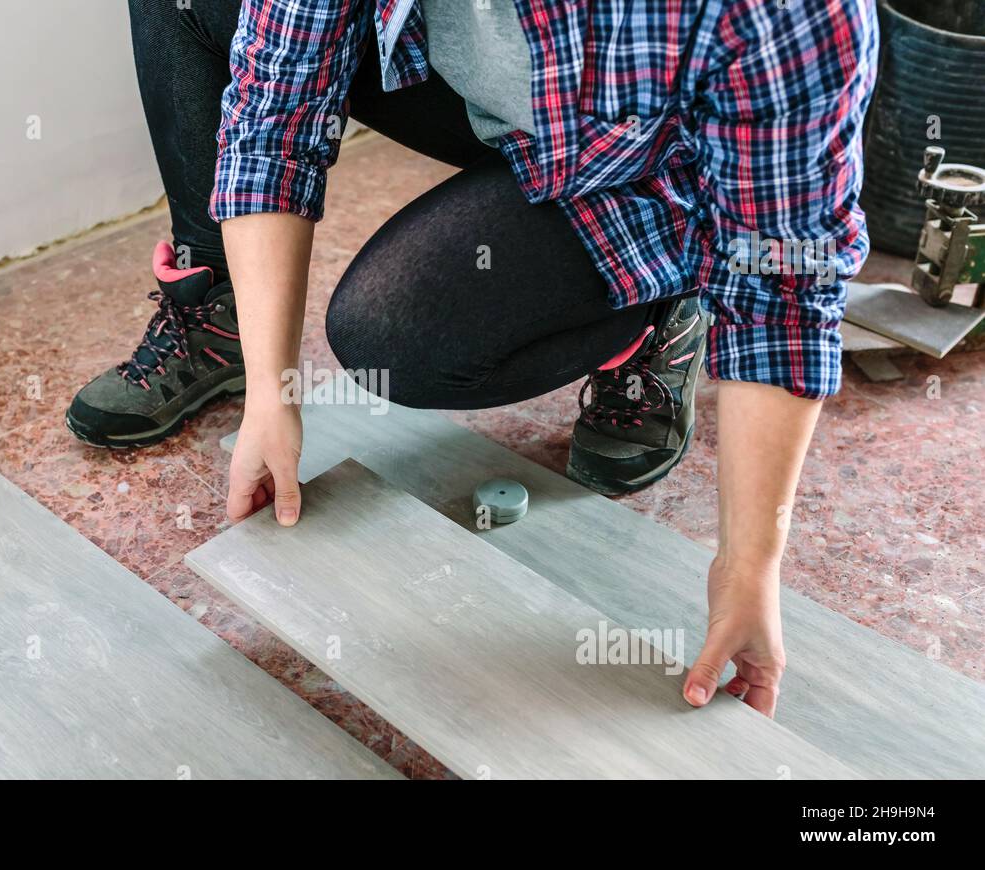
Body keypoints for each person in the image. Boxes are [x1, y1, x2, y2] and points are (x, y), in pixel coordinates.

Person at [68, 0, 877, 718]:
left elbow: (785, 282)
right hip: (509, 84)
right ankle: (220, 318)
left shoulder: (790, 14)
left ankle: (659, 304)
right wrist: (272, 396)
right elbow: (275, 106)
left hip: (654, 165)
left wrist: (748, 563)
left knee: (397, 334)